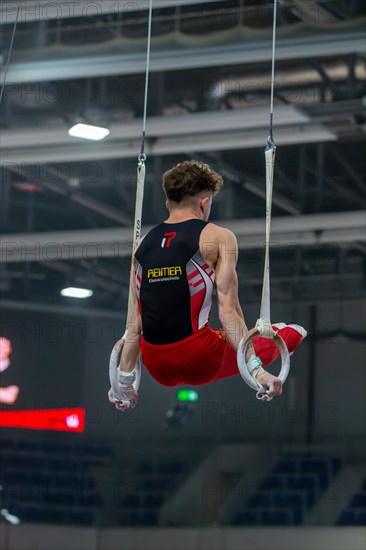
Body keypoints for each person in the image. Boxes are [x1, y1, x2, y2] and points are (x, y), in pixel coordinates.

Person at [109, 161, 306, 410]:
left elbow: (135, 322)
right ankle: (285, 337)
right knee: (289, 333)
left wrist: (123, 381)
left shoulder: (142, 245)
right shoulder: (217, 237)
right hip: (198, 358)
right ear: (204, 202)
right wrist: (257, 372)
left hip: (155, 365)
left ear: (168, 203)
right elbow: (228, 312)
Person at [0, 336, 19, 405]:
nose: (1, 349)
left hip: (10, 414)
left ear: (10, 349)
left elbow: (10, 397)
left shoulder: (17, 371)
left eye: (4, 346)